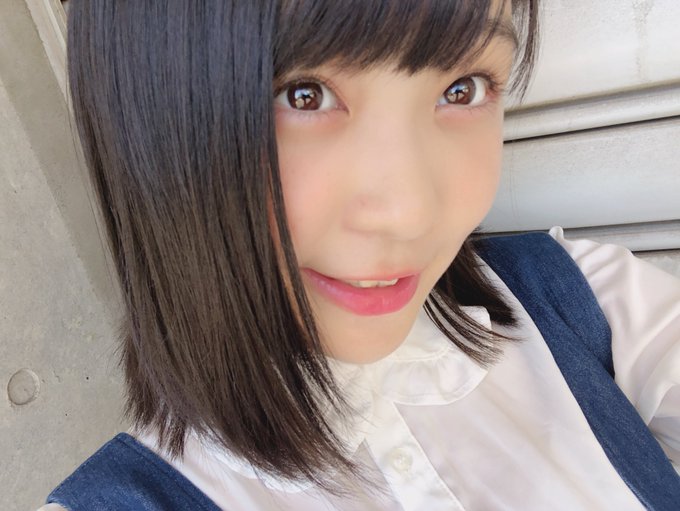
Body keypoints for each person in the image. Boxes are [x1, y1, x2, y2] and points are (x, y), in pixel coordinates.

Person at [41, 0, 680, 510]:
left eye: (462, 89)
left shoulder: (586, 302)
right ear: (145, 123)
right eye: (304, 94)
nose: (411, 214)